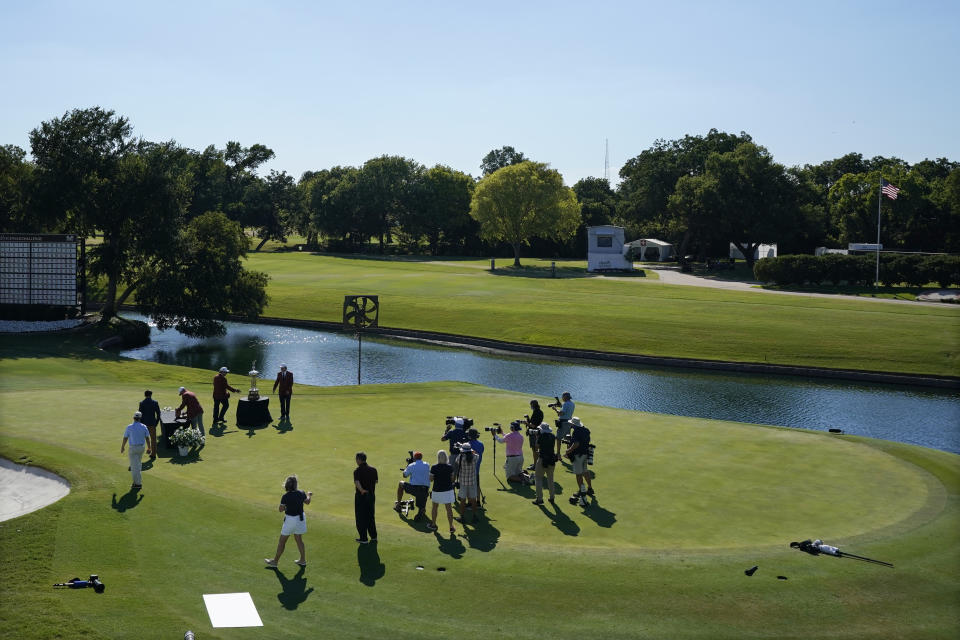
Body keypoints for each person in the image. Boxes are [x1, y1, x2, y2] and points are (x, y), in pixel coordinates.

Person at [264, 475, 312, 567]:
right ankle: (302, 560)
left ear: (287, 485)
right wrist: (309, 495)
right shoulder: (301, 493)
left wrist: (288, 506)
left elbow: (280, 509)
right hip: (301, 519)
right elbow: (307, 502)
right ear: (295, 485)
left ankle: (275, 561)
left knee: (282, 541)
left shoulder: (285, 496)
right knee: (299, 540)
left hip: (290, 520)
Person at [565, 417, 594, 502]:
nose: (571, 425)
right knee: (585, 471)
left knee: (578, 474)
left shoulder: (576, 431)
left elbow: (576, 443)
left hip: (578, 455)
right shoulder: (586, 430)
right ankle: (590, 488)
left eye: (572, 424)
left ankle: (582, 491)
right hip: (585, 453)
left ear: (574, 425)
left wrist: (568, 450)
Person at [427, 450, 456, 534]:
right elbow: (452, 479)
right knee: (449, 509)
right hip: (448, 491)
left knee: (435, 507)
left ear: (438, 457)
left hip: (437, 490)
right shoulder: (450, 467)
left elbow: (431, 479)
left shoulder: (434, 467)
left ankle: (433, 524)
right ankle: (451, 526)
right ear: (446, 457)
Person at [395, 451, 430, 520]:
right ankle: (421, 510)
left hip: (414, 489)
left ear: (414, 458)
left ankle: (398, 505)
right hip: (425, 490)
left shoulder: (411, 465)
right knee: (421, 504)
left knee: (401, 483)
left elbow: (404, 475)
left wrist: (407, 466)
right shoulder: (427, 464)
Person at [121, 411, 151, 490]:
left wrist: (122, 447)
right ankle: (136, 482)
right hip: (141, 448)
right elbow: (147, 437)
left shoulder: (129, 427)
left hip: (133, 448)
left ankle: (138, 484)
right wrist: (149, 447)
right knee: (138, 465)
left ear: (133, 418)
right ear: (140, 418)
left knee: (134, 467)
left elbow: (125, 437)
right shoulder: (144, 426)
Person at [353, 452, 378, 543]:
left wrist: (362, 490)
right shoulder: (373, 470)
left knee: (361, 517)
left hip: (361, 496)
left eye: (356, 459)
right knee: (370, 516)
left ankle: (363, 538)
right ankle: (374, 536)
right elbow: (375, 481)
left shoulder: (357, 471)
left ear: (359, 460)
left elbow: (357, 482)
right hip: (371, 495)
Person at [452, 442, 479, 521]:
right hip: (472, 482)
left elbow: (457, 461)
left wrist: (461, 447)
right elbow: (475, 453)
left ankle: (462, 517)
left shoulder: (460, 457)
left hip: (463, 482)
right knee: (473, 500)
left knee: (463, 500)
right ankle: (474, 516)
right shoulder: (475, 457)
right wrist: (470, 450)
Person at [533, 422, 557, 505]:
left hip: (543, 459)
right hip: (552, 459)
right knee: (550, 479)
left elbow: (536, 446)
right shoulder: (553, 436)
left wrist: (537, 437)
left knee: (538, 478)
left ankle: (539, 499)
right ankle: (552, 497)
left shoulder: (541, 437)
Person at [138, 390, 161, 460]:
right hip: (152, 424)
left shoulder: (142, 403)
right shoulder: (155, 402)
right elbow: (159, 414)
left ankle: (140, 454)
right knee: (153, 439)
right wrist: (156, 422)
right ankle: (153, 454)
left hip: (144, 424)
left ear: (145, 395)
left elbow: (140, 415)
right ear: (151, 395)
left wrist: (141, 424)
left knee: (142, 439)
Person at [551, 392, 575, 458]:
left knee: (558, 438)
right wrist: (560, 407)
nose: (562, 398)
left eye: (562, 397)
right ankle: (568, 454)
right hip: (569, 422)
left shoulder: (565, 404)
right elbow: (565, 410)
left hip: (563, 423)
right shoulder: (572, 403)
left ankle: (558, 454)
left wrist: (555, 409)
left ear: (565, 397)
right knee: (567, 438)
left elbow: (561, 413)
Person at [526, 400, 544, 470]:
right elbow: (534, 422)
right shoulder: (540, 411)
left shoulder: (536, 412)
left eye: (531, 405)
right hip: (538, 432)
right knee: (537, 449)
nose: (530, 406)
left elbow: (533, 425)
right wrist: (528, 418)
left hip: (534, 433)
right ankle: (536, 463)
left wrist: (526, 423)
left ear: (533, 405)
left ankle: (535, 466)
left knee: (534, 450)